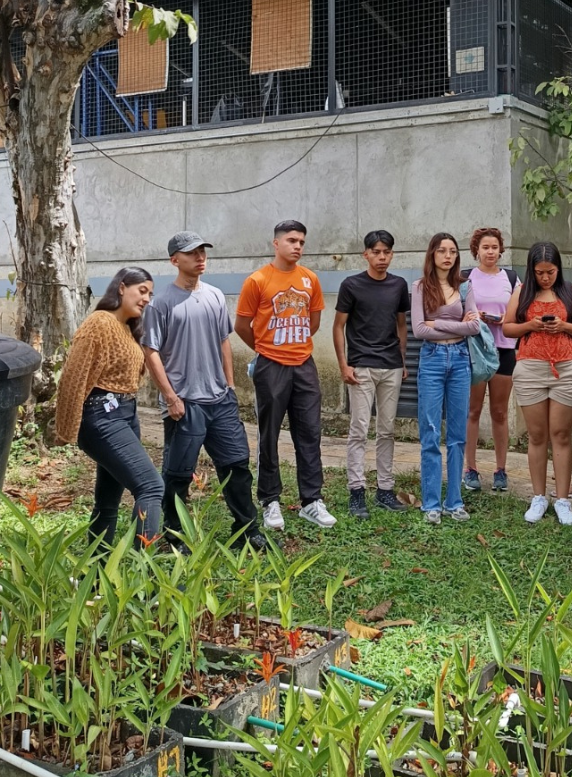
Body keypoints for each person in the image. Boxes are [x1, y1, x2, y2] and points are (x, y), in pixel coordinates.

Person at [143, 232, 265, 551]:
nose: (200, 257)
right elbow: (151, 351)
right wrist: (170, 397)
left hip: (220, 401)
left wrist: (230, 385)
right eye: (191, 253)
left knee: (237, 466)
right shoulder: (160, 303)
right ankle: (174, 538)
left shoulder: (214, 295)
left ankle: (246, 532)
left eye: (202, 252)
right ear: (174, 260)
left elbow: (224, 339)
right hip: (185, 403)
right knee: (178, 475)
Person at [235, 219, 336, 531]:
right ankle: (270, 500)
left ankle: (311, 501)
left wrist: (296, 346)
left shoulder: (310, 280)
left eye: (302, 242)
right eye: (292, 240)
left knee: (309, 433)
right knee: (269, 434)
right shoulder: (258, 280)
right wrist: (266, 349)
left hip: (304, 365)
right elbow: (242, 326)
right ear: (275, 243)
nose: (298, 247)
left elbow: (314, 321)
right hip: (271, 367)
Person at [55, 268, 163, 548]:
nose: (147, 299)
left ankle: (95, 576)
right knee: (151, 487)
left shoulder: (128, 329)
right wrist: (65, 430)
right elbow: (73, 377)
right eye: (142, 291)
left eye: (150, 294)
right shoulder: (99, 323)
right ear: (122, 287)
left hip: (125, 415)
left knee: (108, 502)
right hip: (101, 416)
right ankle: (145, 583)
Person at [503, 241, 572, 525]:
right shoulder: (522, 292)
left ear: (558, 269)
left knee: (562, 434)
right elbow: (506, 328)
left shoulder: (570, 291)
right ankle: (539, 497)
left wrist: (564, 326)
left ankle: (563, 499)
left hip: (565, 368)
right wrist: (531, 325)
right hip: (530, 368)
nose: (545, 277)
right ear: (531, 270)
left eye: (550, 272)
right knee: (537, 435)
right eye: (540, 272)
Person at [332, 230, 412, 519]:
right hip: (361, 366)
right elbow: (338, 326)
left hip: (391, 365)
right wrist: (344, 364)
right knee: (359, 429)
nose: (382, 257)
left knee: (387, 430)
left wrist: (401, 360)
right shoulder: (351, 285)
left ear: (392, 254)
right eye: (376, 252)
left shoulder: (398, 285)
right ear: (365, 253)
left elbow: (402, 325)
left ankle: (385, 490)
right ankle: (356, 492)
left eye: (387, 252)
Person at [411, 232, 481, 524]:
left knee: (457, 436)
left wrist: (437, 323)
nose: (448, 255)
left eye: (453, 251)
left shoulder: (465, 287)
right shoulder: (419, 287)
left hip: (461, 361)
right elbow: (418, 330)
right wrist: (457, 325)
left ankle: (454, 501)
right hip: (432, 360)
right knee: (430, 432)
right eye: (442, 251)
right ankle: (431, 504)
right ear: (433, 254)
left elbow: (475, 325)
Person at [462, 227, 519, 493]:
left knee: (499, 411)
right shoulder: (466, 278)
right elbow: (457, 312)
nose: (490, 252)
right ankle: (469, 468)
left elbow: (519, 313)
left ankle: (500, 469)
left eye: (494, 247)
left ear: (501, 250)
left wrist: (502, 320)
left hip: (505, 349)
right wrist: (475, 318)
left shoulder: (511, 278)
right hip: (475, 348)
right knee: (472, 410)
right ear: (476, 250)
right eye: (485, 247)